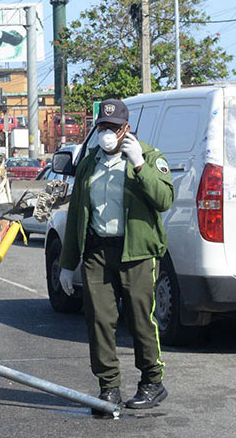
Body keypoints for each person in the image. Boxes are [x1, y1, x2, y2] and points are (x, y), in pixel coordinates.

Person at [58, 98, 174, 413]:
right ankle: (108, 388)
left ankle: (152, 381)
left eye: (113, 127)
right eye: (102, 127)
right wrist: (68, 265)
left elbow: (164, 199)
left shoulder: (148, 156)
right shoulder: (89, 162)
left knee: (140, 320)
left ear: (126, 129)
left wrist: (139, 165)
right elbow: (76, 216)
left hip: (135, 252)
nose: (107, 133)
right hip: (98, 251)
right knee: (98, 320)